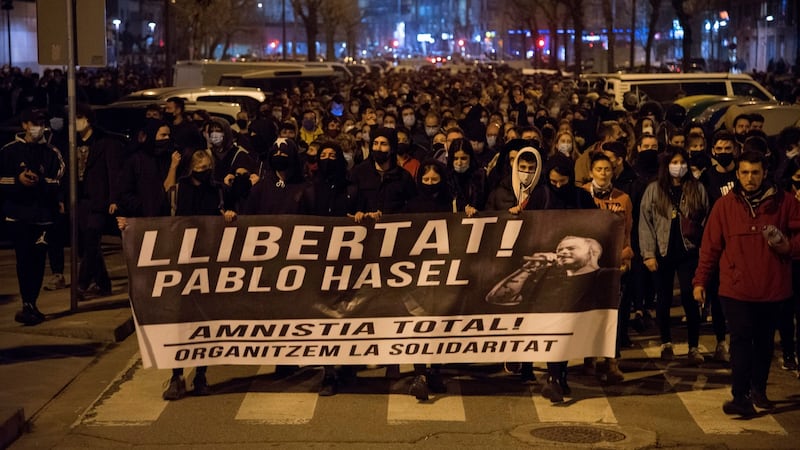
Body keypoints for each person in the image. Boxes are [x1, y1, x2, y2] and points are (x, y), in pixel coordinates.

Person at [693, 150, 800, 417]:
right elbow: (710, 247)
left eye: (755, 172)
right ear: (737, 174)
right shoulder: (724, 206)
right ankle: (739, 396)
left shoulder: (785, 203)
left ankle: (758, 390)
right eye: (744, 173)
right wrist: (700, 281)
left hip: (772, 289)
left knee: (764, 342)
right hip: (735, 289)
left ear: (765, 173)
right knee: (740, 340)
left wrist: (789, 247)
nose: (749, 178)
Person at [160, 149, 237, 400]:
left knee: (204, 321)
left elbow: (226, 212)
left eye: (208, 168)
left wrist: (228, 215)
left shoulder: (217, 190)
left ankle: (201, 374)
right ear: (191, 168)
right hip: (182, 261)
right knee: (181, 320)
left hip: (208, 261)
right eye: (200, 168)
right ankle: (176, 375)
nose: (205, 172)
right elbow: (164, 198)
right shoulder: (180, 188)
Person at [639, 147, 709, 366]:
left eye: (682, 162)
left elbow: (706, 218)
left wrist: (704, 248)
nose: (679, 166)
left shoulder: (697, 188)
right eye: (674, 162)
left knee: (690, 297)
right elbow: (645, 223)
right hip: (662, 252)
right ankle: (666, 342)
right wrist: (648, 254)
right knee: (663, 298)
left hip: (689, 251)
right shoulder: (654, 189)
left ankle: (693, 346)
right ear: (666, 165)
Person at [0, 108, 64, 325]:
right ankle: (27, 302)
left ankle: (31, 303)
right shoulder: (9, 151)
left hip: (43, 216)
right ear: (25, 125)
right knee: (23, 260)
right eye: (35, 123)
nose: (39, 127)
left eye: (42, 123)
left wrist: (40, 182)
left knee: (37, 261)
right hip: (18, 216)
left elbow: (59, 180)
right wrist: (18, 180)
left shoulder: (51, 152)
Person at [73, 103, 124, 300]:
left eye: (79, 118)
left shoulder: (105, 142)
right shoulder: (73, 143)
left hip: (99, 199)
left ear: (88, 120)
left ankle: (82, 284)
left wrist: (113, 198)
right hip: (81, 199)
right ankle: (103, 284)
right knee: (89, 244)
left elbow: (113, 172)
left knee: (92, 240)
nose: (75, 122)